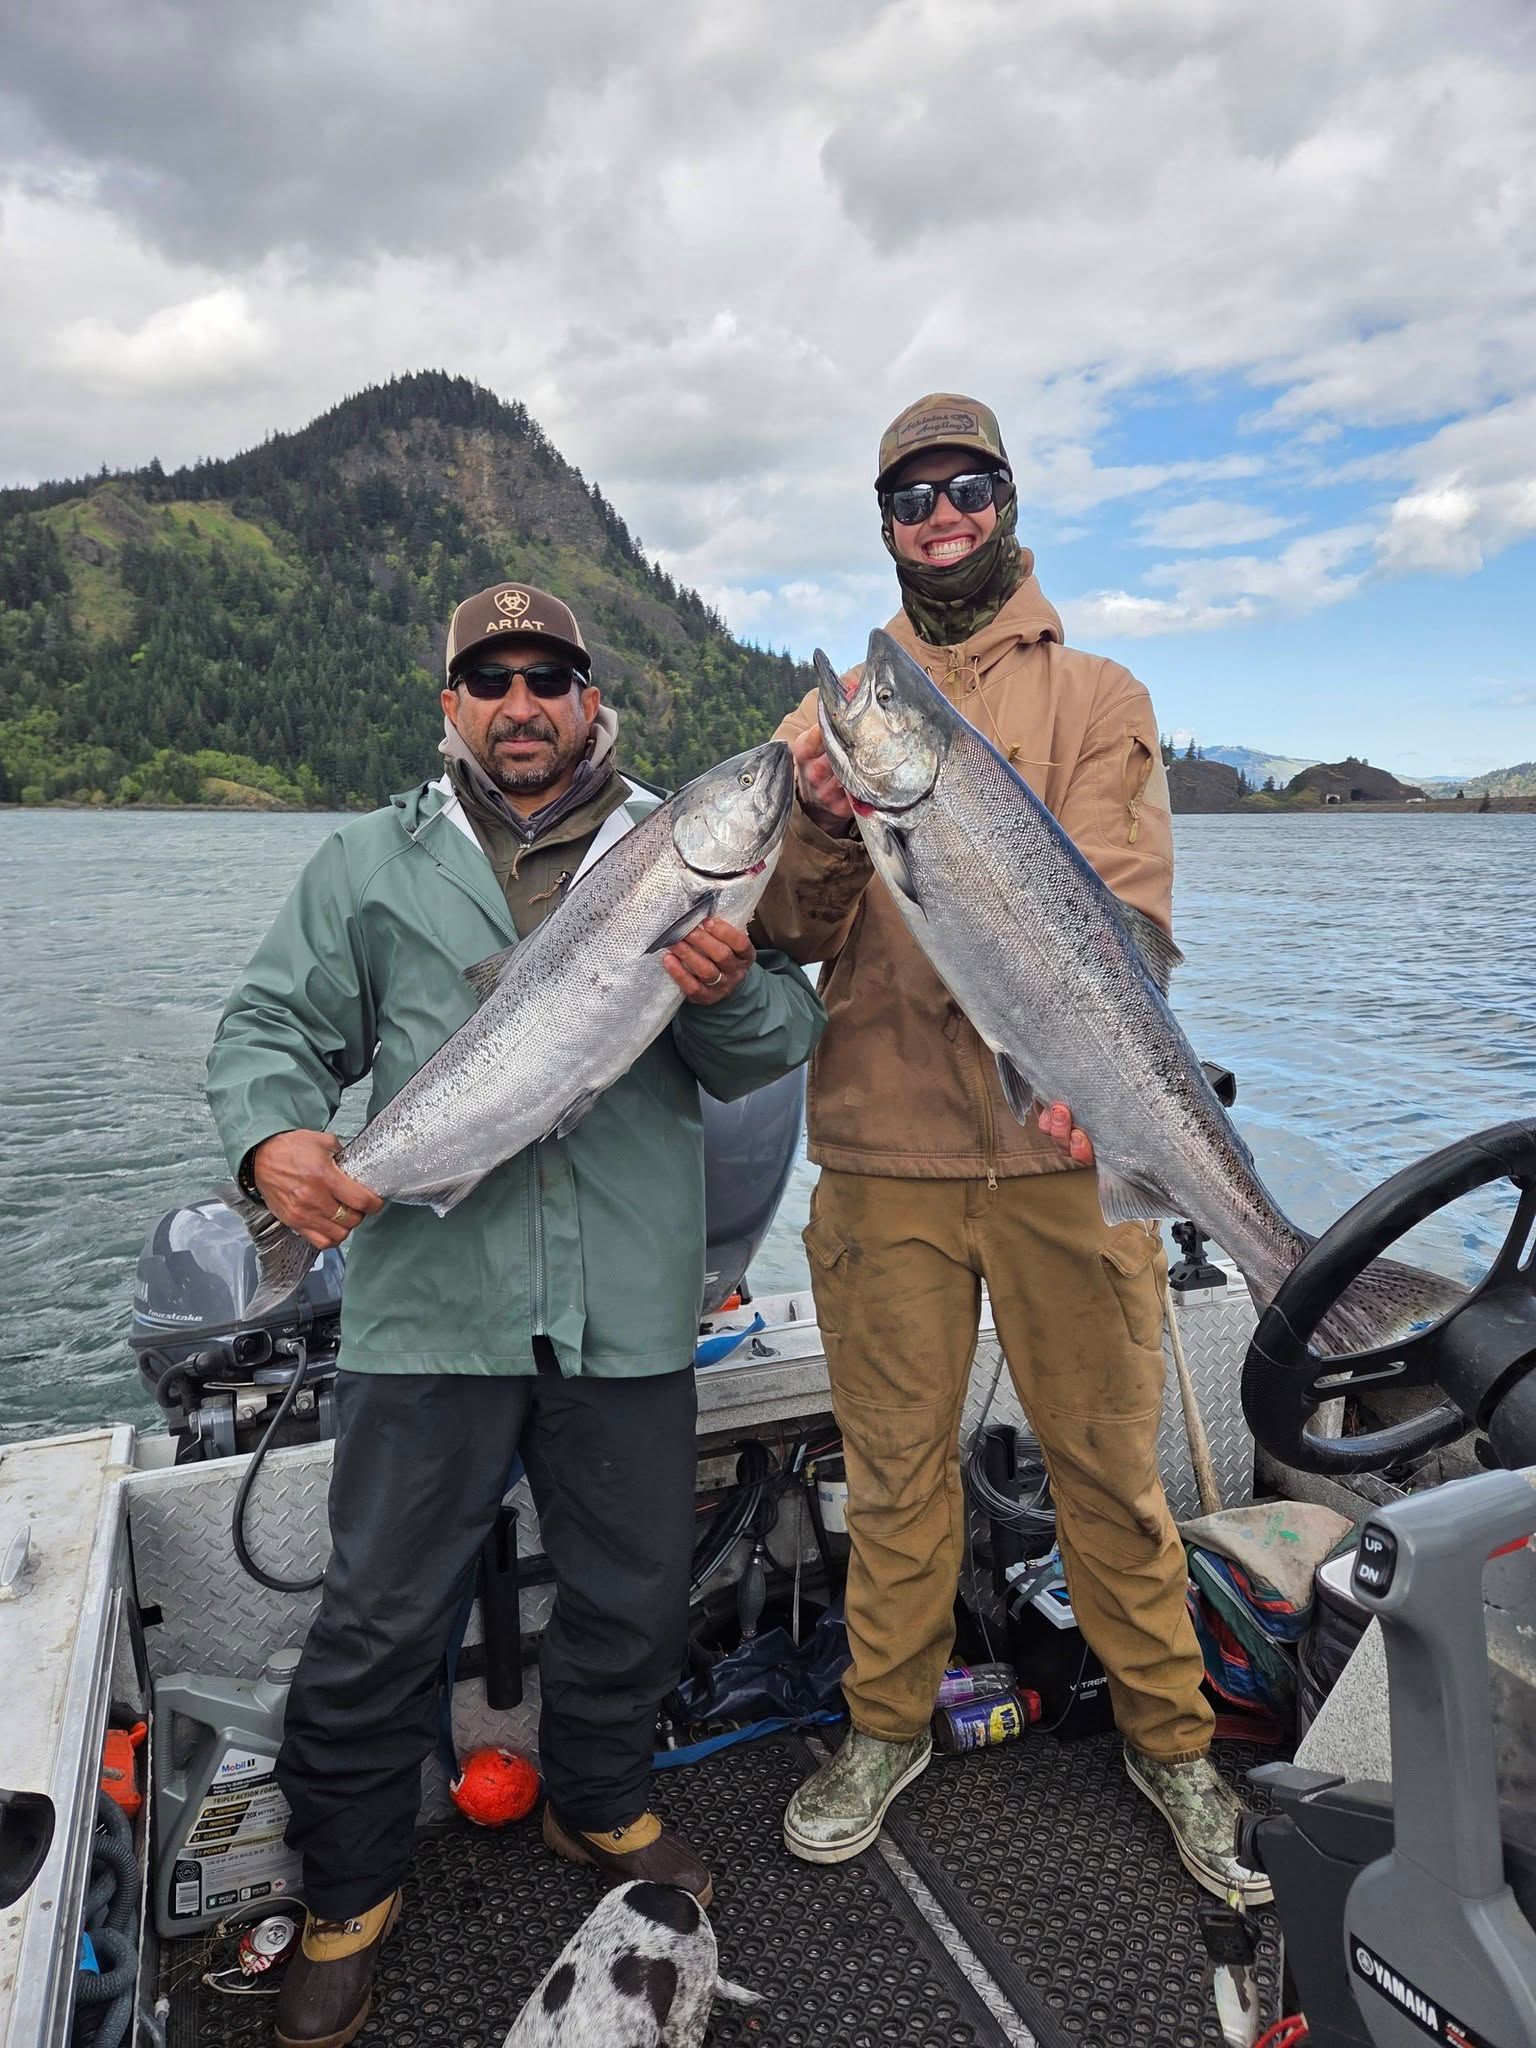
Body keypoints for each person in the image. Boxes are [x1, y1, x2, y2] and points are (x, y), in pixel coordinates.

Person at [206, 581, 825, 2048]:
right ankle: (349, 1890)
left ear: (592, 697)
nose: (521, 701)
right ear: (452, 707)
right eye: (489, 679)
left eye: (548, 675)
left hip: (626, 1305)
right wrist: (270, 1143)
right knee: (376, 1617)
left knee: (632, 1595)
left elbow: (778, 1043)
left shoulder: (692, 851)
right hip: (431, 1309)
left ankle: (598, 1808)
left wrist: (728, 991)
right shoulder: (372, 863)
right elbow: (269, 1030)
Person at [753, 396, 1269, 1904]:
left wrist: (1088, 1077)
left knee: (1111, 1469)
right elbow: (786, 927)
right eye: (910, 500)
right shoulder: (831, 719)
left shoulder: (1102, 694)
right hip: (880, 1156)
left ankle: (1175, 1743)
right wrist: (834, 822)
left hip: (1065, 1161)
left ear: (1006, 499)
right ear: (888, 524)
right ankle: (881, 1730)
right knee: (896, 1474)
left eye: (964, 488)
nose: (941, 518)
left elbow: (1127, 909)